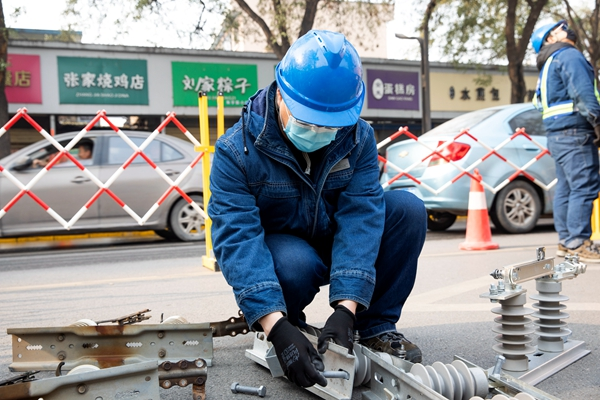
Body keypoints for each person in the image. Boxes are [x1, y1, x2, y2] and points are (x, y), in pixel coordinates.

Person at [208, 30, 427, 389]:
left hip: (334, 239)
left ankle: (375, 328)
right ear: (281, 92)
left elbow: (361, 216)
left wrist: (346, 310)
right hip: (287, 253)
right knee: (293, 262)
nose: (319, 131)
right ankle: (286, 323)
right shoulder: (237, 152)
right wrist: (276, 328)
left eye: (330, 124)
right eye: (308, 121)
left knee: (407, 209)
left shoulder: (357, 137)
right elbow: (238, 238)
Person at [531, 20, 600, 262]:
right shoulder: (568, 56)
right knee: (584, 185)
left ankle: (566, 241)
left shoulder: (547, 64)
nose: (566, 28)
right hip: (575, 131)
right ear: (549, 40)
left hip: (558, 134)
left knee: (567, 188)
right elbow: (583, 92)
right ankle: (579, 242)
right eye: (558, 28)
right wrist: (597, 121)